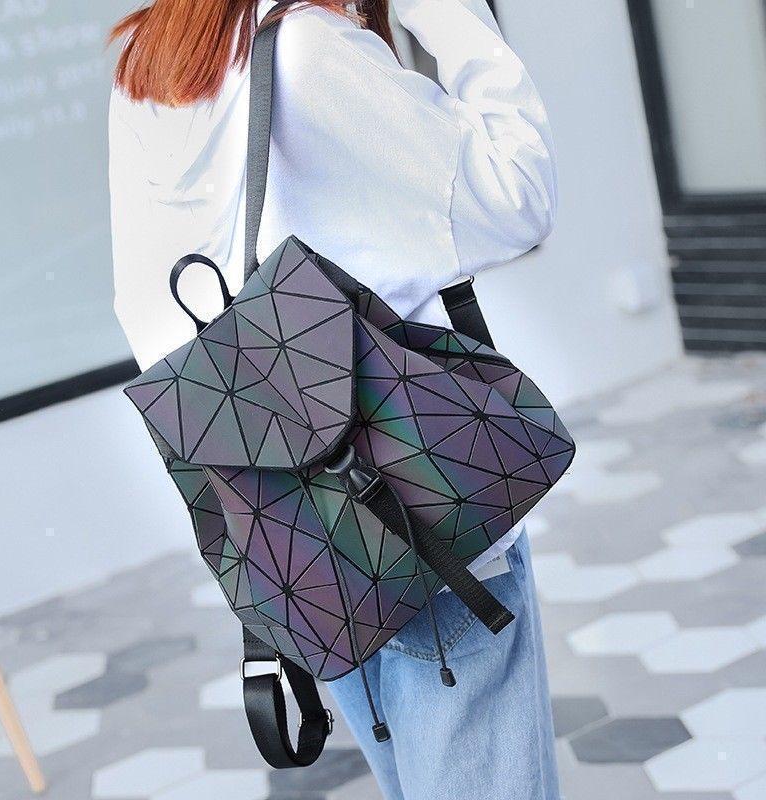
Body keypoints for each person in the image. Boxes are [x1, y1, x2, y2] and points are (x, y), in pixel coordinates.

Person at [109, 1, 559, 797]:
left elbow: (150, 322)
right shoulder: (314, 49)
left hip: (302, 550)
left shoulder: (154, 60)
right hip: (429, 515)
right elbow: (519, 202)